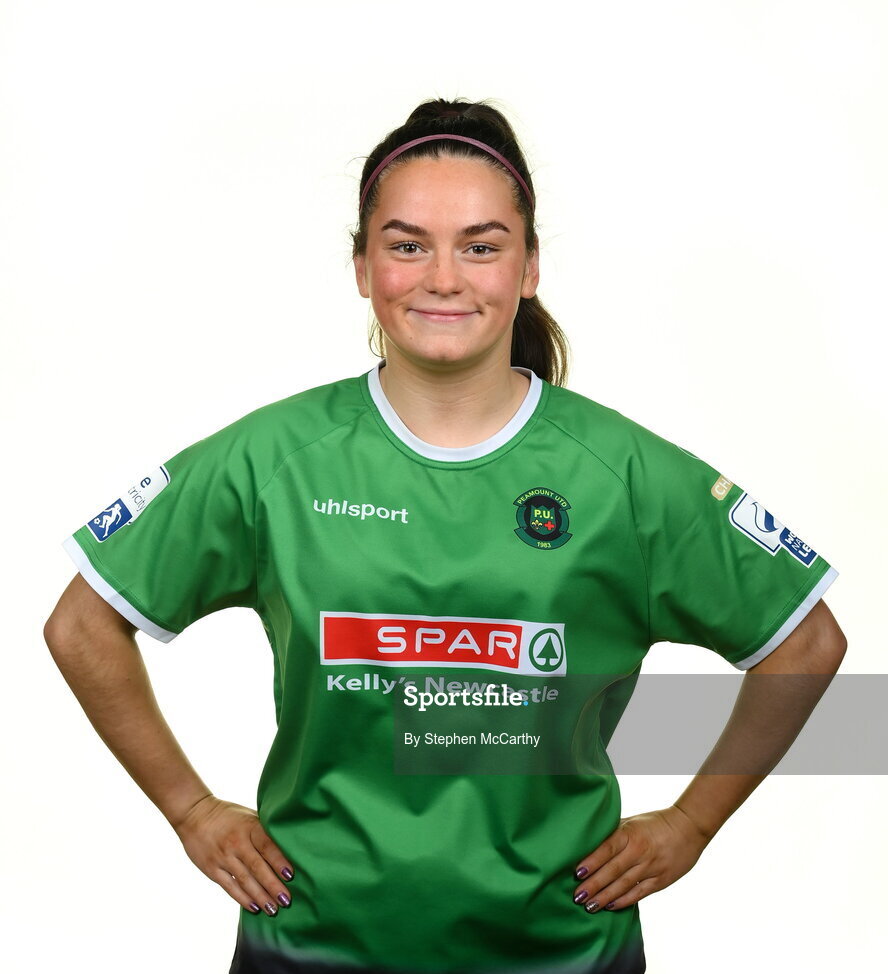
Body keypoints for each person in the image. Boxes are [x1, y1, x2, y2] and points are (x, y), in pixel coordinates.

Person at [44, 98, 847, 974]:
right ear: (361, 265)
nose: (443, 277)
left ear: (530, 266)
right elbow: (80, 625)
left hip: (559, 952)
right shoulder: (275, 460)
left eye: (481, 244)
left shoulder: (623, 474)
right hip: (313, 945)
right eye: (406, 243)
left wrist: (692, 823)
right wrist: (193, 812)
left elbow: (806, 642)